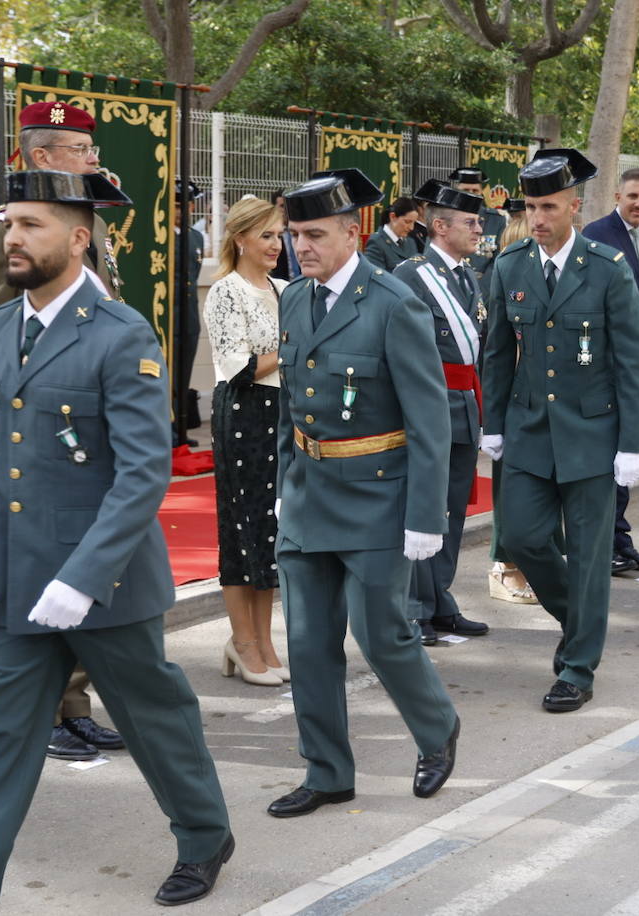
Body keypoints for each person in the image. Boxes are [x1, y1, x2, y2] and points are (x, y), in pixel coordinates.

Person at [0, 170, 233, 914]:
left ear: (78, 238)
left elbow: (141, 474)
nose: (13, 239)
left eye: (30, 224)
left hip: (106, 585)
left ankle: (203, 834)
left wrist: (83, 577)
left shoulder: (121, 334)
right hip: (16, 587)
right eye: (9, 224)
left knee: (154, 721)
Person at [268, 168, 459, 818]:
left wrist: (424, 514)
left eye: (315, 234)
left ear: (354, 232)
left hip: (378, 495)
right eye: (295, 235)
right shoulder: (294, 299)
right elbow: (291, 406)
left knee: (380, 633)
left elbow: (429, 413)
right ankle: (327, 771)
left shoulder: (391, 302)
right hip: (308, 493)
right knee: (307, 639)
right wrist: (281, 486)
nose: (302, 247)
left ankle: (437, 730)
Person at [0, 99, 123, 762]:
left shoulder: (83, 222)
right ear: (42, 156)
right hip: (24, 428)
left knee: (74, 564)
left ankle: (71, 704)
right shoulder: (6, 233)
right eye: (80, 151)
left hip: (78, 429)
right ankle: (31, 708)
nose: (92, 160)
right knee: (26, 569)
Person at [481, 149, 639, 712]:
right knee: (525, 538)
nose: (538, 218)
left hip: (592, 436)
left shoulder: (607, 268)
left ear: (575, 206)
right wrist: (493, 425)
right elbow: (498, 355)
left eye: (549, 206)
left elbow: (631, 361)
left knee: (588, 553)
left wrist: (632, 443)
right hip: (528, 433)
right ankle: (579, 621)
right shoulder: (510, 267)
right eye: (530, 207)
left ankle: (577, 667)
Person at [393, 178, 492, 646]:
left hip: (464, 404)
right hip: (429, 407)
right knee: (424, 509)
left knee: (453, 512)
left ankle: (440, 599)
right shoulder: (411, 275)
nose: (480, 229)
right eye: (471, 222)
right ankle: (414, 607)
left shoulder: (468, 274)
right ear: (440, 226)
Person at [204, 195, 288, 686]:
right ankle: (243, 642)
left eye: (279, 235)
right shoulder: (226, 292)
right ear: (241, 239)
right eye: (267, 235)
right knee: (241, 532)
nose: (277, 245)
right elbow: (239, 368)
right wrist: (290, 345)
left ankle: (265, 641)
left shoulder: (281, 288)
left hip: (279, 413)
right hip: (242, 413)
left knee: (269, 533)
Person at [581, 167, 639, 575]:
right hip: (609, 362)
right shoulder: (597, 235)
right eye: (633, 196)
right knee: (611, 455)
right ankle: (606, 543)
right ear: (618, 195)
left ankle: (620, 539)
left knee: (629, 454)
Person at [485, 211, 541, 605]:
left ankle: (531, 565)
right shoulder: (507, 281)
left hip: (539, 404)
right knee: (510, 493)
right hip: (513, 403)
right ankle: (503, 566)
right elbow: (499, 354)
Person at [173, 180, 205, 448]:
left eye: (185, 205)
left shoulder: (196, 237)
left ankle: (181, 427)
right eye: (175, 206)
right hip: (169, 314)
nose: (181, 211)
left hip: (190, 316)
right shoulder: (160, 236)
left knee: (185, 374)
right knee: (168, 375)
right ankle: (168, 428)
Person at [449, 166, 508, 275]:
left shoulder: (496, 220)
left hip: (483, 286)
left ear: (481, 192)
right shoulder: (445, 218)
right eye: (466, 190)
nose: (471, 194)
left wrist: (481, 287)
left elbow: (499, 260)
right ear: (457, 191)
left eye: (475, 190)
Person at [362, 196, 422, 271]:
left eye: (414, 223)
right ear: (393, 217)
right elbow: (377, 277)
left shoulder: (410, 242)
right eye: (407, 222)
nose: (411, 228)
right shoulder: (376, 242)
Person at [271, 190, 301, 281]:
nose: (286, 210)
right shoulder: (271, 234)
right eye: (282, 206)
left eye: (289, 205)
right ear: (273, 208)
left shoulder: (300, 232)